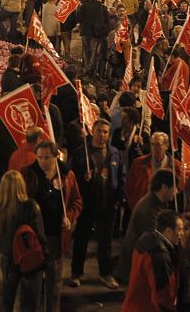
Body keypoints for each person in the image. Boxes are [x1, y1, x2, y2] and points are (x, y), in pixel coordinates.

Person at [21, 140, 83, 312]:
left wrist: (69, 217)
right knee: (31, 283)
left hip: (56, 236)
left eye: (47, 157)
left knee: (54, 281)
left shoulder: (67, 175)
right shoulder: (27, 173)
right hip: (34, 237)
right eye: (39, 157)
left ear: (57, 156)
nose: (42, 161)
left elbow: (77, 201)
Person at [69, 119, 125, 289]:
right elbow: (69, 175)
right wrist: (81, 178)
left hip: (107, 204)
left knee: (105, 242)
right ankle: (76, 273)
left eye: (106, 132)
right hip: (87, 204)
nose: (102, 135)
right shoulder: (81, 152)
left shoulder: (114, 153)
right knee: (81, 239)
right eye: (99, 131)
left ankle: (106, 274)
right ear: (92, 131)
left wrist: (119, 199)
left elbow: (122, 176)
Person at [0, 170, 46, 312]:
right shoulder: (30, 206)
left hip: (7, 256)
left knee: (7, 298)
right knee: (29, 302)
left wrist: (5, 244)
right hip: (29, 257)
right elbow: (39, 235)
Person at [115, 168, 177, 284]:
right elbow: (156, 239)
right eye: (174, 187)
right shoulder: (150, 209)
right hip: (136, 265)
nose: (176, 191)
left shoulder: (157, 202)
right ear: (164, 187)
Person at [122, 210, 184, 311]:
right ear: (168, 231)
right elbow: (162, 297)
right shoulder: (160, 256)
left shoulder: (146, 242)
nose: (182, 234)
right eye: (180, 230)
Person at [125, 132, 185, 211]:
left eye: (158, 144)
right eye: (152, 144)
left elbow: (180, 191)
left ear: (166, 146)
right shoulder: (138, 163)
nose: (154, 148)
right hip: (142, 209)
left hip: (164, 212)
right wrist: (134, 206)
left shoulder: (177, 166)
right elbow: (129, 186)